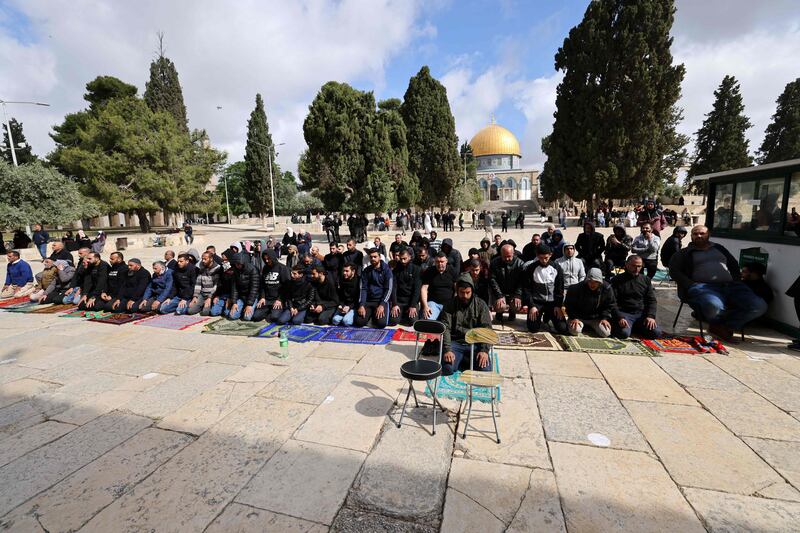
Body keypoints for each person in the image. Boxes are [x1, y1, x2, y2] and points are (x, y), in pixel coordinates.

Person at [669, 225, 768, 340]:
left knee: (759, 306)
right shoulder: (683, 253)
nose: (699, 236)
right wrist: (690, 284)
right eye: (695, 234)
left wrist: (736, 279)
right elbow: (674, 271)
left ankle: (723, 326)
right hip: (703, 288)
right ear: (691, 236)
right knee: (714, 306)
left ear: (708, 235)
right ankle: (719, 325)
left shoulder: (719, 248)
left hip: (731, 286)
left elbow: (733, 264)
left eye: (702, 233)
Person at [439, 273, 493, 376]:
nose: (464, 296)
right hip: (456, 343)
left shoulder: (481, 305)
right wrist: (447, 350)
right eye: (461, 292)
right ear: (457, 291)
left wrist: (484, 350)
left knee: (485, 371)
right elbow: (445, 328)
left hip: (475, 344)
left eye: (467, 292)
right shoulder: (450, 305)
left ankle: (463, 360)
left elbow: (487, 329)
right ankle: (462, 359)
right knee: (447, 369)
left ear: (472, 291)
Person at [611, 256, 662, 339]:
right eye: (634, 266)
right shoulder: (617, 280)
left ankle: (635, 326)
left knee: (656, 333)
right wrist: (619, 317)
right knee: (623, 333)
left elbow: (651, 300)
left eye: (639, 266)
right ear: (627, 265)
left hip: (641, 314)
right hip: (624, 314)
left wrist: (650, 316)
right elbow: (612, 302)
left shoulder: (645, 280)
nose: (636, 268)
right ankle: (631, 327)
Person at [523, 244, 568, 334]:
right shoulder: (531, 268)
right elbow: (527, 289)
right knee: (533, 328)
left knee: (562, 328)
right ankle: (539, 317)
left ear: (550, 255)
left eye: (546, 258)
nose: (544, 260)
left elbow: (560, 289)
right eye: (541, 258)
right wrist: (531, 306)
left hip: (552, 303)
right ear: (537, 256)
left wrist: (558, 306)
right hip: (537, 302)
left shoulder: (556, 268)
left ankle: (549, 317)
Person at [565, 268, 618, 337]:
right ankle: (583, 326)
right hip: (578, 317)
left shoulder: (607, 289)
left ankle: (589, 327)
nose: (592, 284)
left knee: (606, 333)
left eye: (595, 282)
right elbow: (569, 305)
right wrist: (574, 317)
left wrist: (604, 318)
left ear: (600, 282)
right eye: (590, 281)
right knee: (575, 331)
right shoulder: (576, 288)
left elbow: (610, 305)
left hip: (596, 318)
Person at [353, 248, 393, 328]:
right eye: (371, 257)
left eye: (375, 257)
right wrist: (362, 305)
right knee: (359, 322)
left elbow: (388, 289)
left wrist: (382, 305)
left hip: (380, 300)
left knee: (381, 324)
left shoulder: (386, 270)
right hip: (369, 300)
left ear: (379, 257)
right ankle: (370, 316)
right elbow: (363, 289)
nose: (373, 259)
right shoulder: (366, 271)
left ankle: (374, 316)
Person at [489, 244, 524, 322]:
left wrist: (518, 295)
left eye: (509, 256)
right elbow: (492, 280)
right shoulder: (495, 263)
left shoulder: (520, 263)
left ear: (513, 254)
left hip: (513, 293)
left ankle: (512, 312)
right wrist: (499, 295)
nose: (507, 259)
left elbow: (522, 282)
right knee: (500, 306)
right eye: (504, 256)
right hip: (500, 291)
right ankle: (499, 313)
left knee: (516, 305)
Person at [252, 248, 290, 322]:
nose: (266, 261)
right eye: (265, 259)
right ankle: (269, 310)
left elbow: (287, 287)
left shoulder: (282, 268)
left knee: (273, 318)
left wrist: (280, 300)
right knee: (256, 317)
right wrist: (262, 297)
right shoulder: (265, 268)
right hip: (267, 299)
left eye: (268, 259)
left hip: (278, 299)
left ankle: (276, 311)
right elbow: (262, 285)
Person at [420, 252, 458, 321]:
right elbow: (424, 289)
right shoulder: (429, 271)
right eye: (437, 262)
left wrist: (454, 304)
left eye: (442, 262)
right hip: (433, 303)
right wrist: (425, 306)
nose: (440, 264)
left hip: (449, 303)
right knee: (428, 320)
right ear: (434, 261)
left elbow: (457, 290)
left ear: (446, 261)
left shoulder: (452, 271)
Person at [389, 247, 421, 326]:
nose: (403, 261)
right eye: (401, 259)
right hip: (400, 301)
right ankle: (402, 313)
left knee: (413, 322)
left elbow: (417, 290)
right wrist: (395, 304)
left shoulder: (416, 269)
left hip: (411, 300)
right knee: (394, 321)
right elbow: (394, 288)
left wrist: (413, 305)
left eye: (405, 259)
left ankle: (407, 313)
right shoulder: (396, 270)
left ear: (410, 257)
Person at [185, 251, 220, 315]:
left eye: (205, 259)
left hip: (212, 295)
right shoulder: (202, 268)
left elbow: (216, 285)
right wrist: (195, 296)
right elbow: (198, 284)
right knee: (190, 311)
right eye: (202, 259)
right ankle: (201, 305)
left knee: (205, 313)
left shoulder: (217, 269)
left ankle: (207, 306)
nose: (203, 261)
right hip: (202, 294)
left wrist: (210, 297)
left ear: (211, 259)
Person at [227, 253, 260, 321]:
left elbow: (254, 289)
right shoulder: (235, 270)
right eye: (235, 264)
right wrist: (234, 302)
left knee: (247, 317)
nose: (237, 266)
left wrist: (249, 304)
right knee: (232, 316)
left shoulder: (253, 270)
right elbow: (234, 287)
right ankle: (242, 309)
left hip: (252, 296)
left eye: (239, 264)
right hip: (241, 296)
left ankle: (250, 308)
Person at [210, 250, 235, 317]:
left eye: (225, 260)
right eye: (222, 259)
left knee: (227, 314)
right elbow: (219, 283)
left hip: (231, 295)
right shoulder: (222, 268)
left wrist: (231, 298)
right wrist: (217, 295)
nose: (224, 261)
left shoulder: (235, 269)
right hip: (222, 295)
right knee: (213, 312)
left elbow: (235, 287)